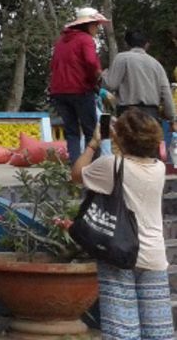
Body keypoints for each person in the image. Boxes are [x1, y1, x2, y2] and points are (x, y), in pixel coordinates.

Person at [71, 109, 173, 339]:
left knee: (122, 330)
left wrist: (94, 143)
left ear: (122, 138)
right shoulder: (158, 168)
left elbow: (77, 174)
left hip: (119, 251)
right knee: (158, 332)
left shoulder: (110, 166)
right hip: (154, 255)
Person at [51, 7, 110, 163]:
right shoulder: (85, 40)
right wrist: (98, 78)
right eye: (96, 25)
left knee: (71, 132)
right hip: (80, 90)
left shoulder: (60, 41)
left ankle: (75, 167)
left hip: (59, 92)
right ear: (88, 25)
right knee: (91, 132)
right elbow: (91, 62)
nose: (97, 29)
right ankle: (92, 167)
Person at [105, 29, 176, 128]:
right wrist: (172, 119)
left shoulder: (122, 58)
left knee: (128, 143)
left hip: (127, 115)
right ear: (146, 45)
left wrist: (104, 75)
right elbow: (166, 93)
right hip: (151, 116)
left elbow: (111, 85)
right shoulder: (156, 64)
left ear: (127, 44)